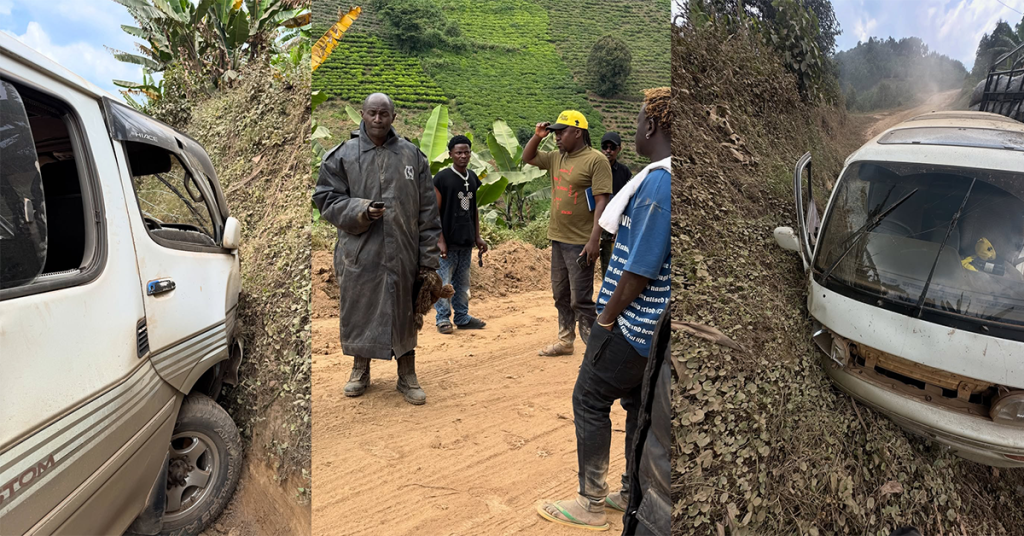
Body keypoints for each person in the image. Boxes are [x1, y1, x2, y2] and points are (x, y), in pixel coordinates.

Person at [537, 88, 673, 530]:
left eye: (637, 122)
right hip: (651, 331)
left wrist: (606, 317)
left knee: (590, 399)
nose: (635, 128)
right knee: (635, 404)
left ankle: (590, 503)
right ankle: (630, 491)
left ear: (651, 126)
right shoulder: (660, 178)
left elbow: (640, 269)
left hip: (632, 326)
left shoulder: (659, 182)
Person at [312, 92, 441, 406]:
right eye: (373, 113)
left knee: (405, 311)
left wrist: (428, 260)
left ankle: (407, 373)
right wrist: (360, 210)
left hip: (405, 253)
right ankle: (360, 368)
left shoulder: (413, 156)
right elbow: (326, 199)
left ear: (394, 117)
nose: (378, 120)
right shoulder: (341, 156)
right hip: (360, 253)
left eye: (384, 114)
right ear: (363, 114)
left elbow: (428, 212)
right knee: (360, 309)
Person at [522, 110, 613, 357]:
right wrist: (538, 136)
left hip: (580, 242)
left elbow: (602, 201)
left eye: (562, 132)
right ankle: (565, 341)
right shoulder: (555, 157)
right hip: (558, 239)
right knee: (560, 294)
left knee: (580, 300)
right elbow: (527, 157)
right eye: (555, 133)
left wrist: (595, 239)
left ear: (578, 132)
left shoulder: (596, 160)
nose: (557, 137)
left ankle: (598, 351)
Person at [433, 135, 488, 334]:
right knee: (444, 283)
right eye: (458, 152)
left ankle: (462, 317)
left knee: (462, 283)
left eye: (466, 152)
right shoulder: (442, 178)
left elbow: (474, 210)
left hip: (465, 241)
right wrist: (440, 240)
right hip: (447, 242)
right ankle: (442, 319)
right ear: (451, 155)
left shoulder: (472, 177)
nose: (463, 156)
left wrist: (477, 236)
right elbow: (434, 212)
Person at [599, 131, 634, 278]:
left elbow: (630, 199)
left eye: (612, 148)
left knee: (612, 266)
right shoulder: (594, 169)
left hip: (614, 226)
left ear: (619, 149)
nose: (608, 151)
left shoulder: (624, 172)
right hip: (593, 223)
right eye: (605, 147)